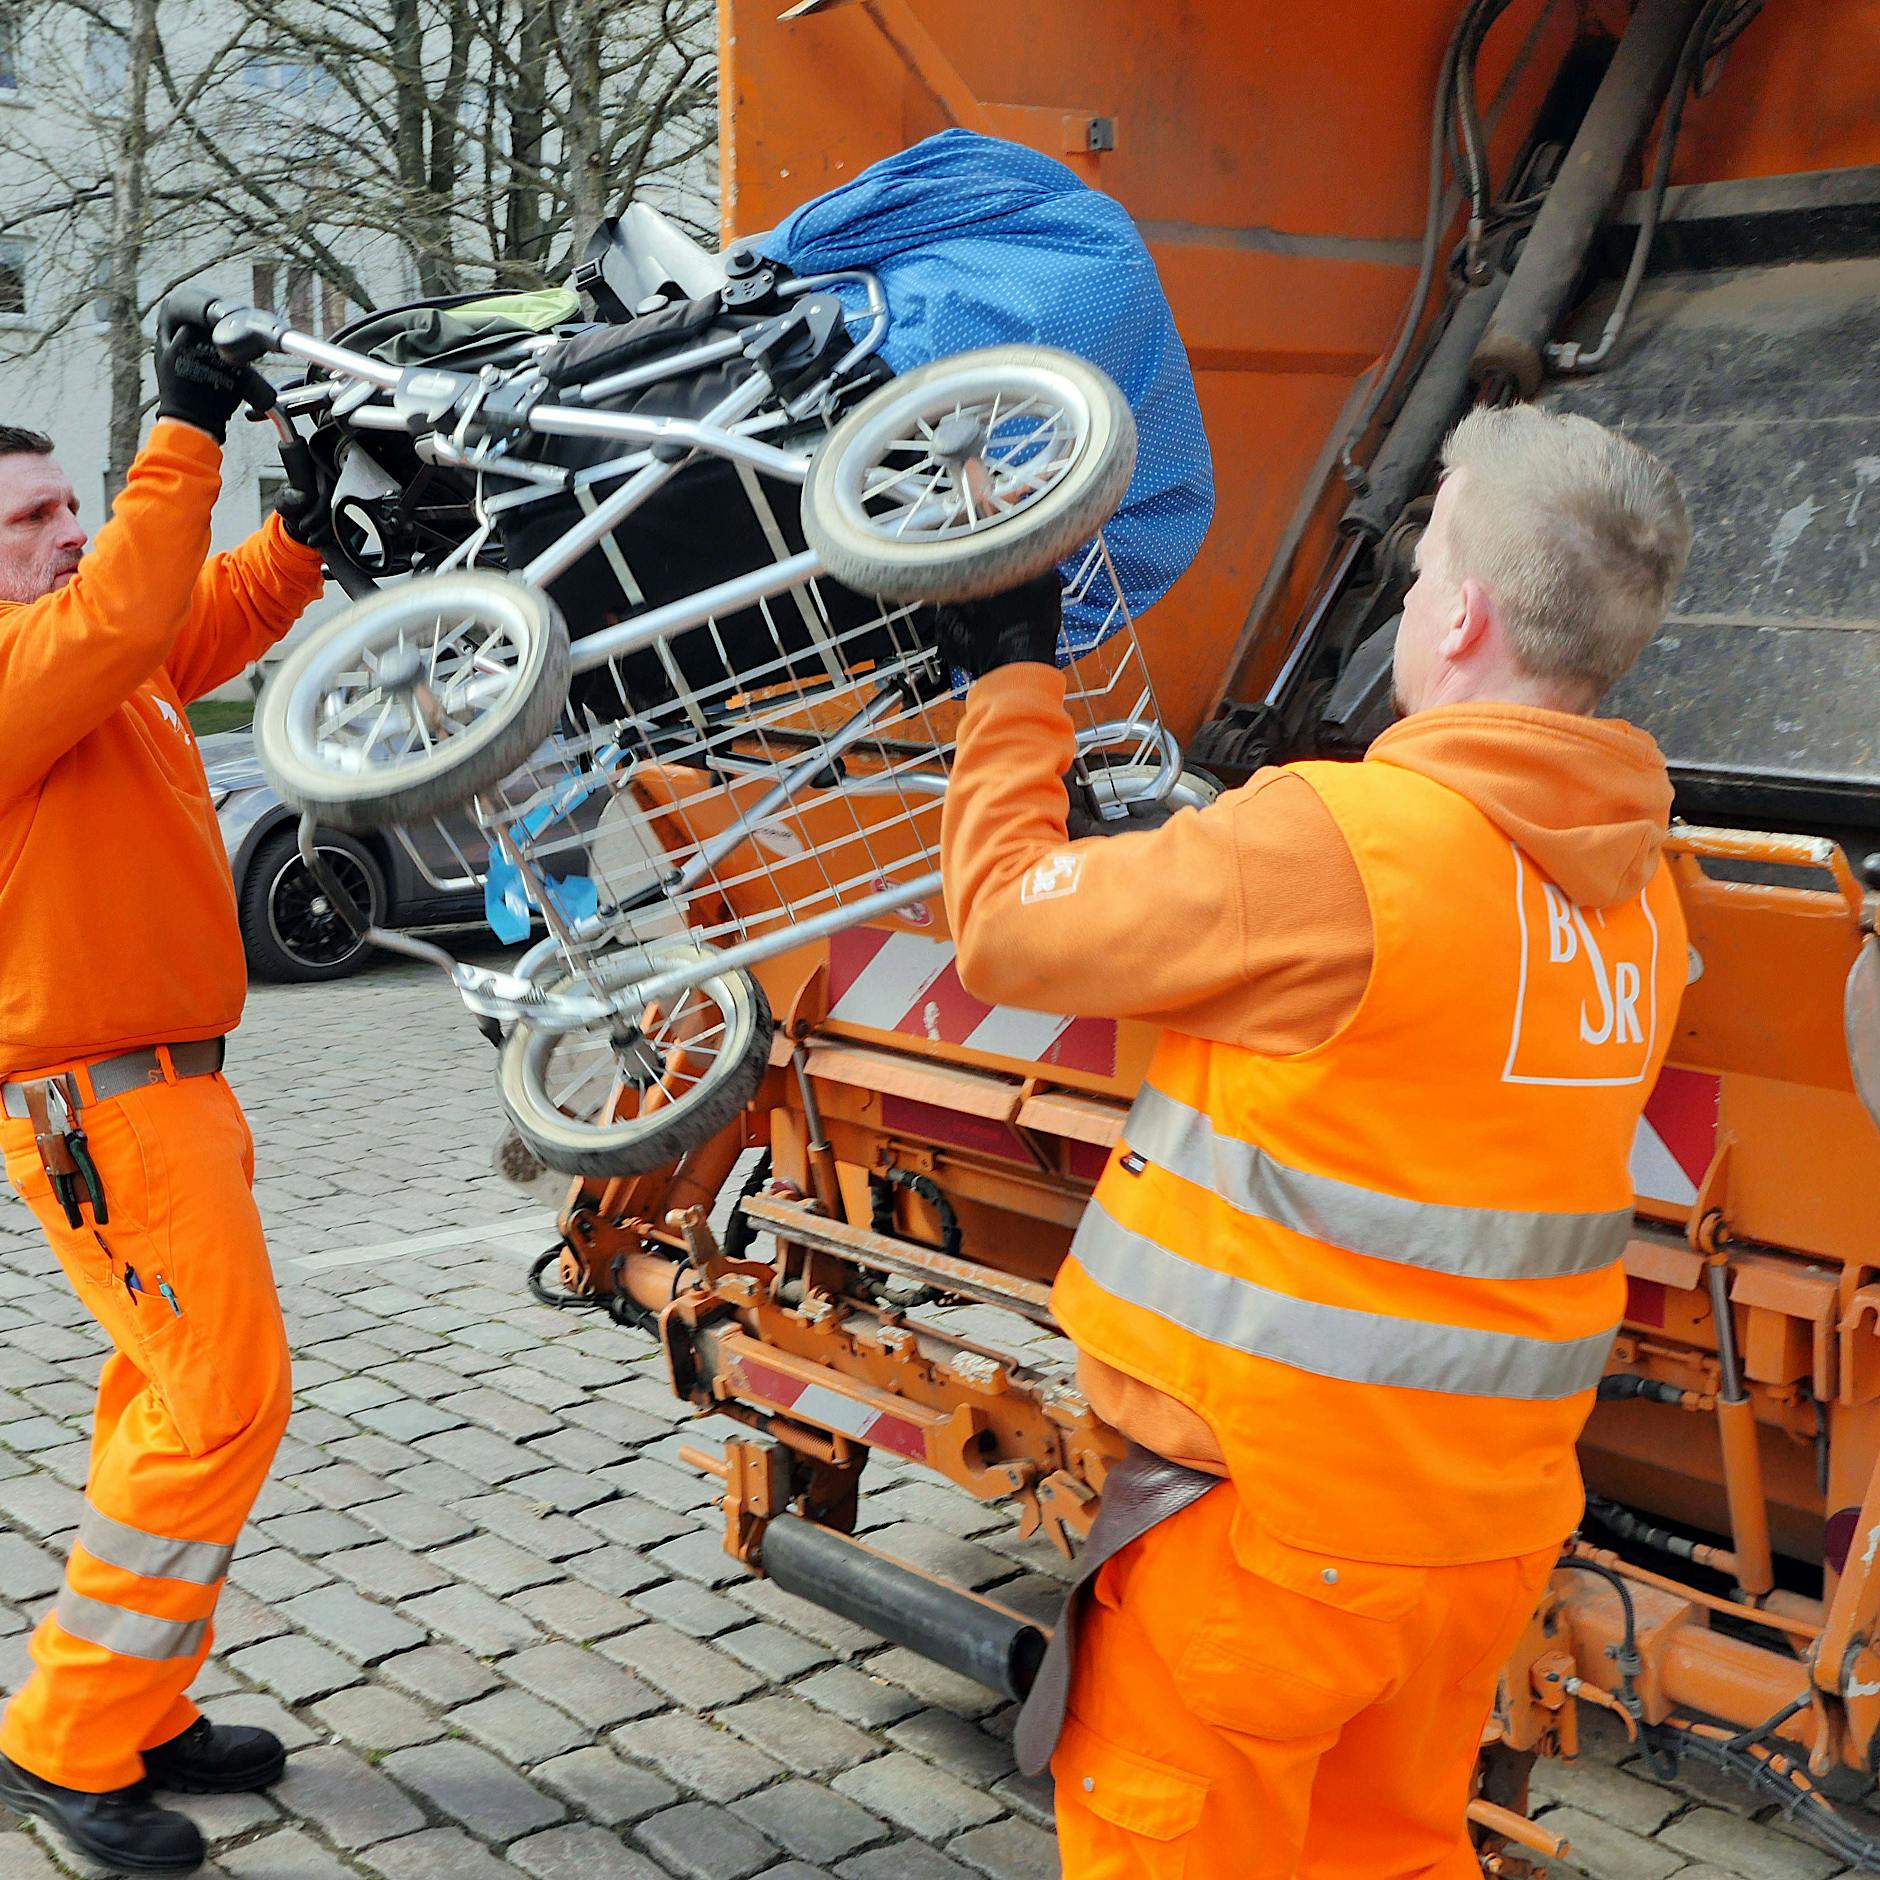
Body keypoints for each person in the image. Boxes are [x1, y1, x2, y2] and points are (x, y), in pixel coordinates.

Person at [939, 404, 1693, 1877]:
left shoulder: (1334, 842)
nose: (1408, 604)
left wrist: (1010, 671)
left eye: (1418, 582)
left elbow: (999, 923)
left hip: (1267, 1543)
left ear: (1464, 616)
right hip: (1474, 1542)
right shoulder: (1641, 899)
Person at [0, 299, 330, 1877]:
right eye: (29, 520)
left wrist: (310, 532)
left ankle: (138, 1701)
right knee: (220, 1402)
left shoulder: (94, 661)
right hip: (102, 1109)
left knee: (167, 1397)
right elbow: (135, 610)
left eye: (72, 508)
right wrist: (182, 431)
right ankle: (65, 1741)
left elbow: (198, 613)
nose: (65, 535)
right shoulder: (25, 671)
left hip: (169, 1100)